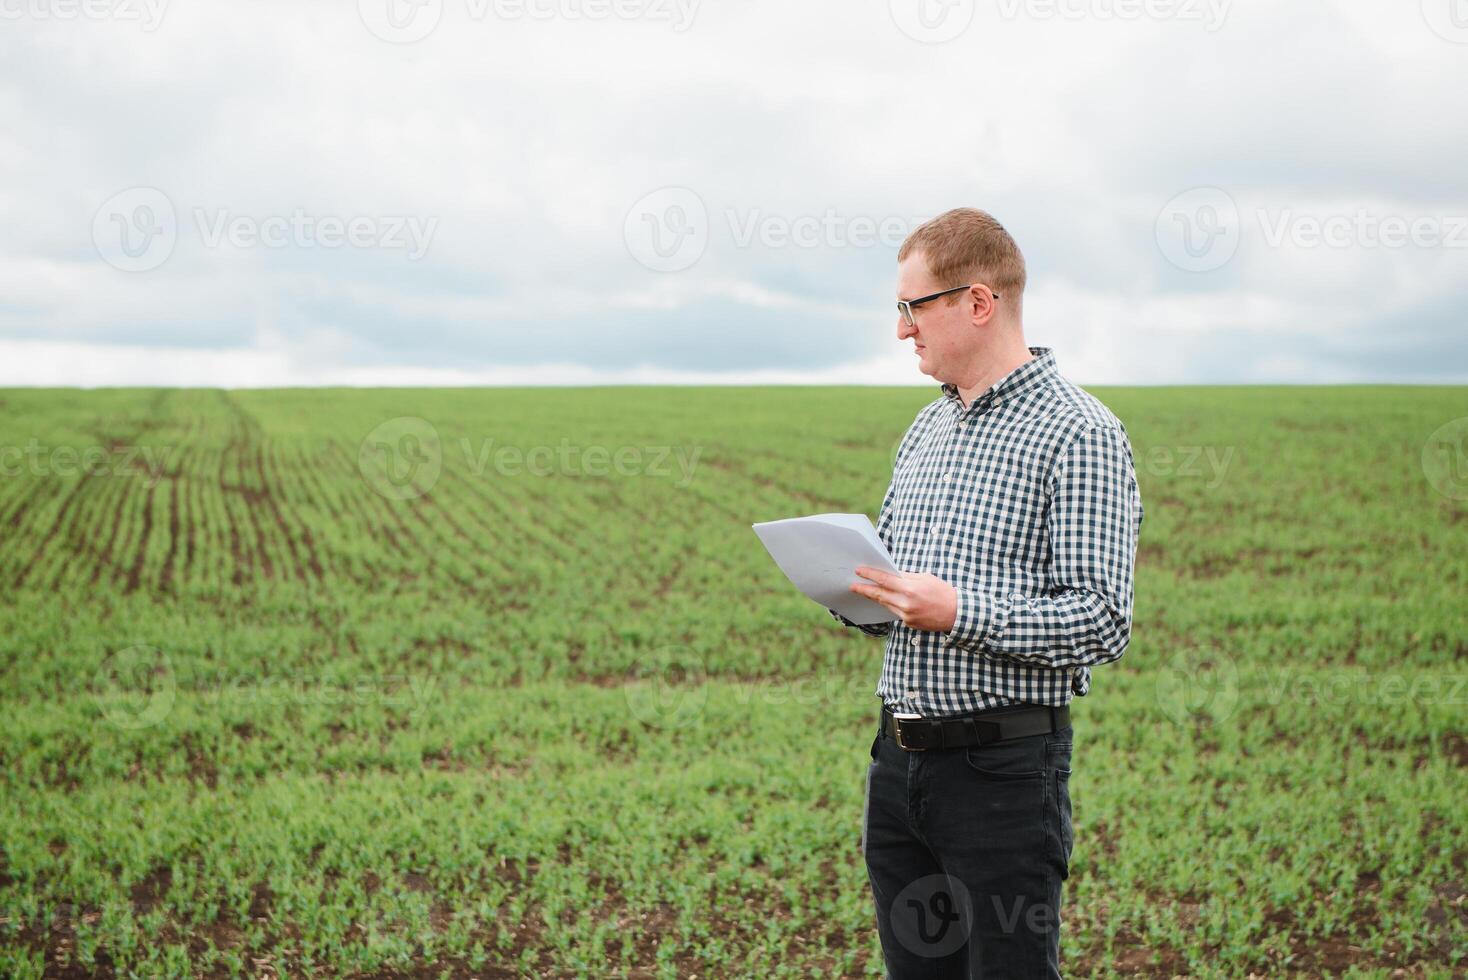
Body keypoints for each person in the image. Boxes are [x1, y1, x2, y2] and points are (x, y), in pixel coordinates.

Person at [829, 207, 1144, 978]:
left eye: (913, 308)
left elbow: (1102, 620)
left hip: (1002, 775)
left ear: (978, 302)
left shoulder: (1081, 433)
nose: (903, 330)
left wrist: (960, 612)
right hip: (898, 766)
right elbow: (902, 589)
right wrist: (856, 591)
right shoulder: (926, 430)